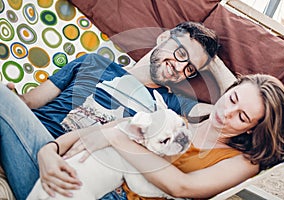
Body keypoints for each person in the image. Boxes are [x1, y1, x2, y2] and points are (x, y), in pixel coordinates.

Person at [0, 21, 221, 199]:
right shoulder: (93, 62)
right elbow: (29, 102)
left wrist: (214, 64)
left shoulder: (170, 106)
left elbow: (229, 109)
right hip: (23, 149)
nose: (180, 67)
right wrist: (11, 95)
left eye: (190, 68)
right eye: (181, 54)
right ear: (163, 38)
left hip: (71, 175)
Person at [30, 73, 284, 199]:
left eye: (242, 116)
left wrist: (119, 139)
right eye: (232, 98)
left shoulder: (243, 161)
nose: (226, 112)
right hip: (66, 171)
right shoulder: (179, 123)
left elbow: (182, 187)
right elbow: (91, 133)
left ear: (251, 129)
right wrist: (48, 152)